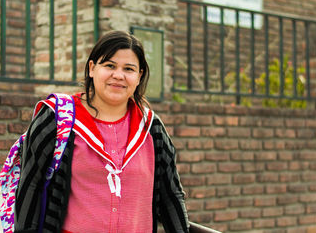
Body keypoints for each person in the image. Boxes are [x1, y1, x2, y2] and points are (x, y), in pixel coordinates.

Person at [14, 30, 190, 233]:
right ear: (91, 68)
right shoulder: (57, 118)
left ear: (139, 76)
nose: (118, 75)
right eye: (109, 66)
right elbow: (30, 185)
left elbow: (171, 197)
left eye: (129, 69)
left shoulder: (151, 128)